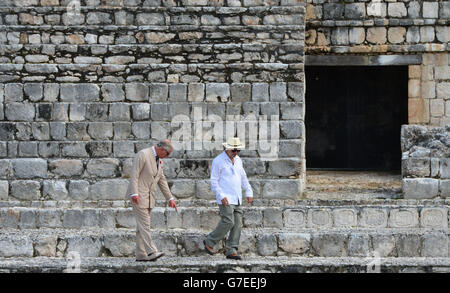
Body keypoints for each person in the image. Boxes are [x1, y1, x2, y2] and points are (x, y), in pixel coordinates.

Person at [126, 139, 178, 262]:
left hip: (149, 198)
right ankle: (152, 251)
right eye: (167, 154)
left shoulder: (159, 161)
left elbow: (162, 180)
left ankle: (141, 254)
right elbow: (134, 174)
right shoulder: (143, 154)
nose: (167, 157)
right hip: (139, 196)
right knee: (145, 225)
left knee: (141, 227)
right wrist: (134, 192)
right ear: (161, 149)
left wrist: (170, 198)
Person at [203, 137, 253, 260]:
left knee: (238, 224)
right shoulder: (218, 161)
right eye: (234, 150)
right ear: (227, 148)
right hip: (225, 197)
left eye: (238, 151)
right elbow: (214, 181)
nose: (236, 153)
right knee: (228, 221)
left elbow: (243, 177)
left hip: (236, 197)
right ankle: (209, 241)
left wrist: (249, 191)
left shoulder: (238, 160)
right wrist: (221, 195)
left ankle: (231, 250)